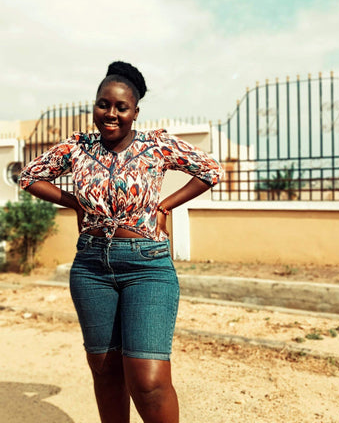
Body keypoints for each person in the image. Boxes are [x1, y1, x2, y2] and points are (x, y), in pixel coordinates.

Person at [19, 61, 223, 423]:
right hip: (91, 267)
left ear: (135, 112)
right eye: (103, 104)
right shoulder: (77, 147)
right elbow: (29, 176)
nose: (110, 113)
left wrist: (166, 205)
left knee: (148, 380)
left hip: (147, 266)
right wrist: (73, 201)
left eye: (120, 107)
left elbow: (210, 170)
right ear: (95, 106)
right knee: (106, 371)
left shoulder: (155, 145)